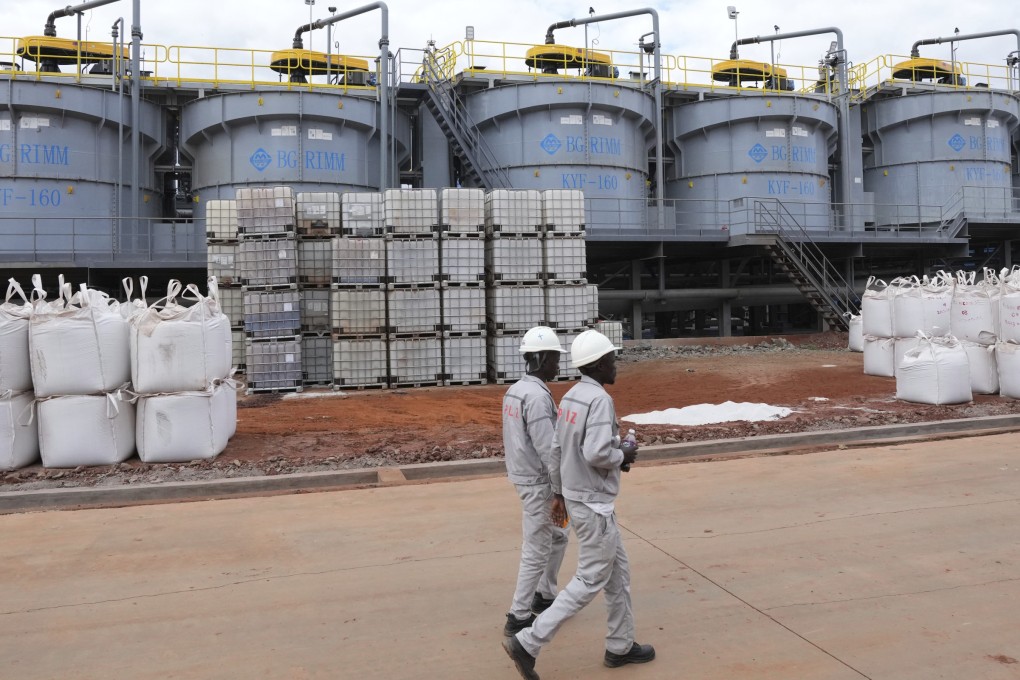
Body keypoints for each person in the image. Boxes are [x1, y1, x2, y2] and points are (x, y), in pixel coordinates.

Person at [503, 329, 654, 679]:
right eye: (613, 359)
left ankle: (620, 644)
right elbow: (597, 452)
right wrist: (623, 453)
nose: (616, 364)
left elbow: (556, 449)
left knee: (619, 575)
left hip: (579, 497)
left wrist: (559, 491)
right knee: (589, 580)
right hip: (594, 504)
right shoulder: (598, 400)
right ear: (599, 365)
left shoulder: (570, 396)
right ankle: (528, 641)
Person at [502, 326, 571, 637]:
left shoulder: (516, 390)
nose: (558, 365)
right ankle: (518, 614)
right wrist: (559, 490)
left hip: (523, 475)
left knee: (558, 537)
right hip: (538, 482)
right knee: (537, 546)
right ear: (541, 357)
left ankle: (544, 594)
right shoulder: (538, 398)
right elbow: (548, 448)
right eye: (555, 358)